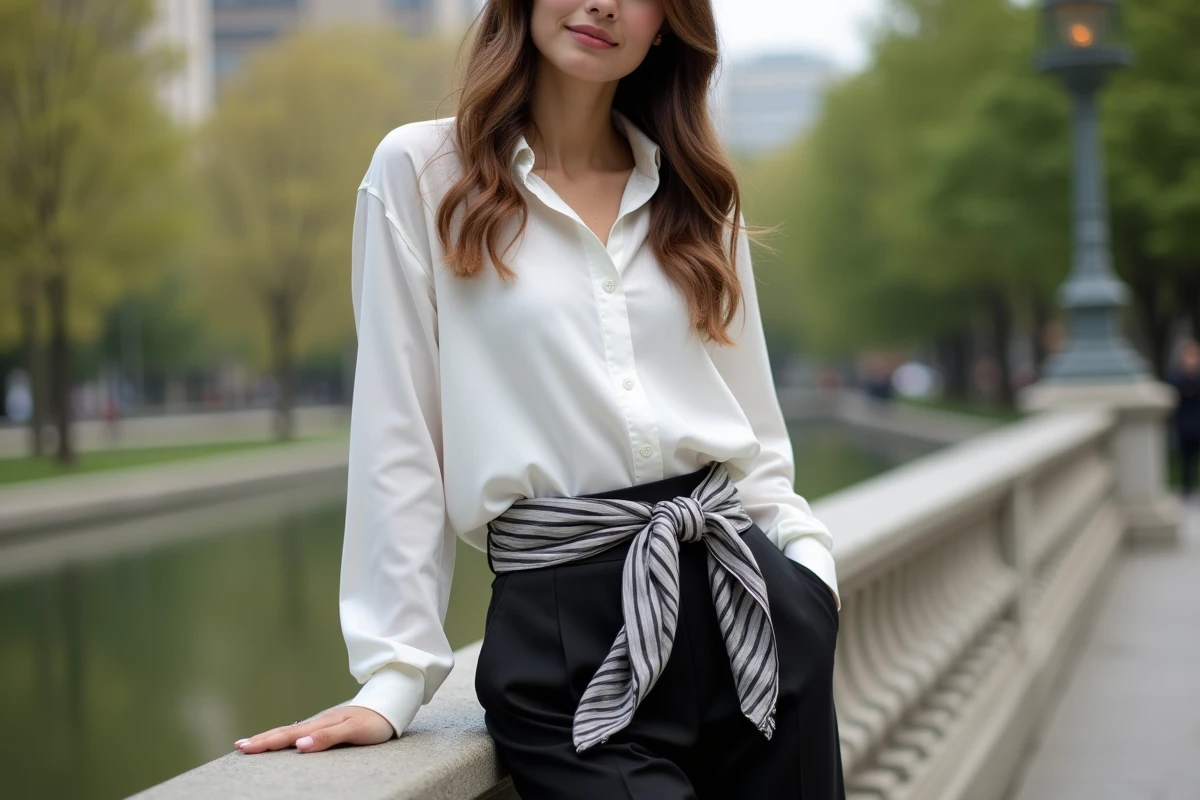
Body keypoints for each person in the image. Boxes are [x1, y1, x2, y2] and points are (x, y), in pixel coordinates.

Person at [234, 1, 844, 796]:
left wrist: (811, 576)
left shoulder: (698, 193)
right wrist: (394, 676)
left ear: (667, 22)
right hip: (565, 639)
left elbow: (755, 441)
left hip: (751, 610)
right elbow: (399, 434)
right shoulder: (420, 174)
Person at [1167, 339, 1200, 499]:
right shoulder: (1176, 377)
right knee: (1186, 460)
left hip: (1197, 423)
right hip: (1184, 425)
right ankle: (1187, 490)